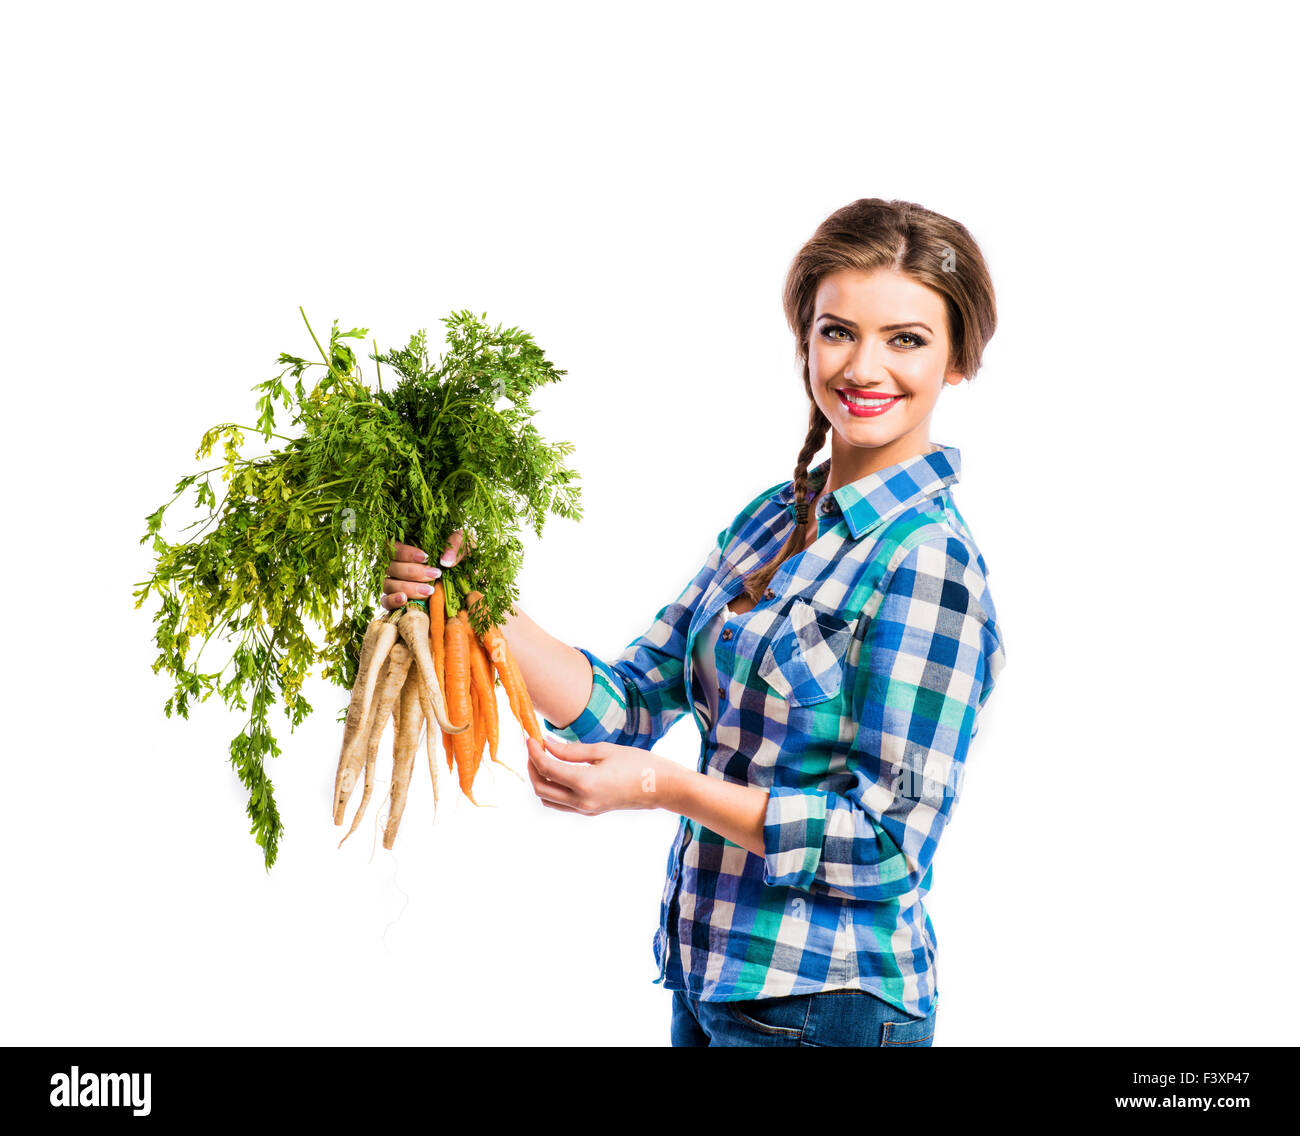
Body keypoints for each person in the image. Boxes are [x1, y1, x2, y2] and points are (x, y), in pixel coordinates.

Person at [381, 197, 1007, 1047]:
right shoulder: (772, 520)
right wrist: (469, 598)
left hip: (828, 1003)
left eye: (906, 339)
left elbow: (888, 848)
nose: (863, 368)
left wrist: (661, 788)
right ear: (806, 342)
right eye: (836, 332)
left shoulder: (928, 563)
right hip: (712, 978)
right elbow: (630, 702)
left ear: (959, 359)